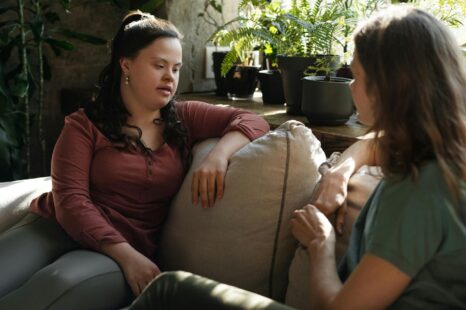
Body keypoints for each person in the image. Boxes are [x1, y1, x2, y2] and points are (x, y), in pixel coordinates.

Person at [126, 5, 466, 310]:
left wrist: (321, 243)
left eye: (356, 77)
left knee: (169, 290)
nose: (351, 88)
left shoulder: (420, 195)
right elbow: (378, 143)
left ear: (388, 87)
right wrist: (341, 169)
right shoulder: (447, 155)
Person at [0, 11, 269, 309]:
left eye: (176, 68)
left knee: (56, 284)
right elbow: (71, 202)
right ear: (126, 64)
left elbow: (252, 120)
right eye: (159, 66)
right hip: (51, 228)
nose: (170, 77)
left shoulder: (185, 116)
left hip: (116, 253)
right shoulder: (84, 125)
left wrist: (219, 155)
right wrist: (127, 255)